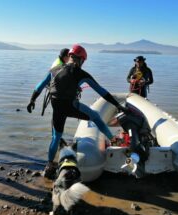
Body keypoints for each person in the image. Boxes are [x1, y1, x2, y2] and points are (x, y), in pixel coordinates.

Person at [27, 44, 130, 179]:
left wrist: (32, 101)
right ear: (81, 59)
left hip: (57, 109)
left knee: (55, 137)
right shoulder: (81, 73)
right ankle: (113, 140)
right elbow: (102, 91)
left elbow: (39, 86)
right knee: (95, 117)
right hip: (72, 106)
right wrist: (118, 105)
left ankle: (49, 165)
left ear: (70, 56)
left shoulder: (55, 69)